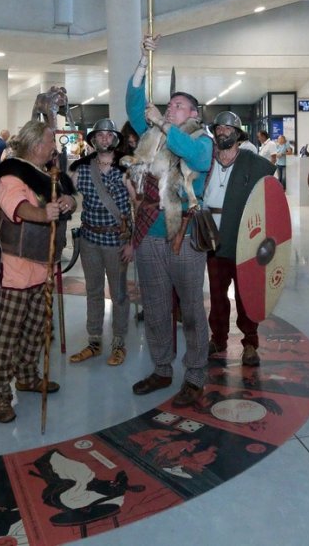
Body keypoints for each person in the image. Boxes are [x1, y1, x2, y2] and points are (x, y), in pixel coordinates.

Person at [126, 34, 214, 407]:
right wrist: (142, 62)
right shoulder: (153, 136)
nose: (170, 108)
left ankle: (195, 375)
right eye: (169, 104)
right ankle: (162, 368)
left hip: (185, 235)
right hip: (150, 232)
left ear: (193, 115)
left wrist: (164, 126)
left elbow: (197, 158)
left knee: (191, 308)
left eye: (178, 106)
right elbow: (134, 104)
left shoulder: (201, 139)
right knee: (156, 305)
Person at [0, 118, 76, 423]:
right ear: (36, 145)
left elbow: (64, 199)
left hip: (43, 266)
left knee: (36, 330)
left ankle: (27, 377)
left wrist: (67, 200)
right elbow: (16, 207)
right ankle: (1, 395)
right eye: (50, 141)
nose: (54, 146)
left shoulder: (48, 173)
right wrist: (44, 214)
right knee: (7, 335)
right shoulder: (11, 174)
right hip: (15, 270)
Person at [204, 112, 276, 367]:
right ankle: (218, 338)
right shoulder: (207, 160)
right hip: (212, 236)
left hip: (244, 237)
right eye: (218, 128)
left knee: (247, 293)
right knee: (216, 294)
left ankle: (250, 343)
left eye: (228, 128)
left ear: (237, 134)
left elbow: (270, 191)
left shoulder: (251, 162)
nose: (222, 132)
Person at [68, 119, 134, 368]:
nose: (105, 138)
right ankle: (94, 340)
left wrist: (133, 243)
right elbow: (67, 196)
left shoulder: (126, 168)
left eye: (109, 134)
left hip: (117, 240)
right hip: (90, 240)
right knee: (93, 291)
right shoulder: (81, 169)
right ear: (93, 140)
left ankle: (118, 343)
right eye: (100, 135)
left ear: (115, 139)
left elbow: (138, 205)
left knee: (119, 294)